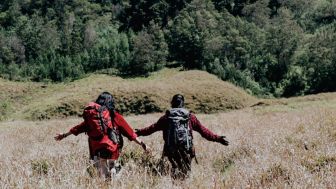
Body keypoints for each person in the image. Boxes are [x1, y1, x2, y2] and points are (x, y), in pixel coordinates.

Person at [55, 92, 149, 179]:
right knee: (113, 165)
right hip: (112, 147)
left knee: (102, 169)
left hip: (97, 148)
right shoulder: (114, 115)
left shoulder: (92, 118)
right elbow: (129, 133)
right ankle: (113, 173)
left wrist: (64, 135)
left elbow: (77, 128)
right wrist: (142, 143)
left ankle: (104, 182)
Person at [135, 94, 229, 179]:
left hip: (170, 150)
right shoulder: (190, 117)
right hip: (187, 150)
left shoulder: (166, 117)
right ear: (183, 104)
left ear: (172, 103)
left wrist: (138, 132)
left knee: (174, 171)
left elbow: (152, 128)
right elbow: (203, 131)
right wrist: (218, 138)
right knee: (186, 174)